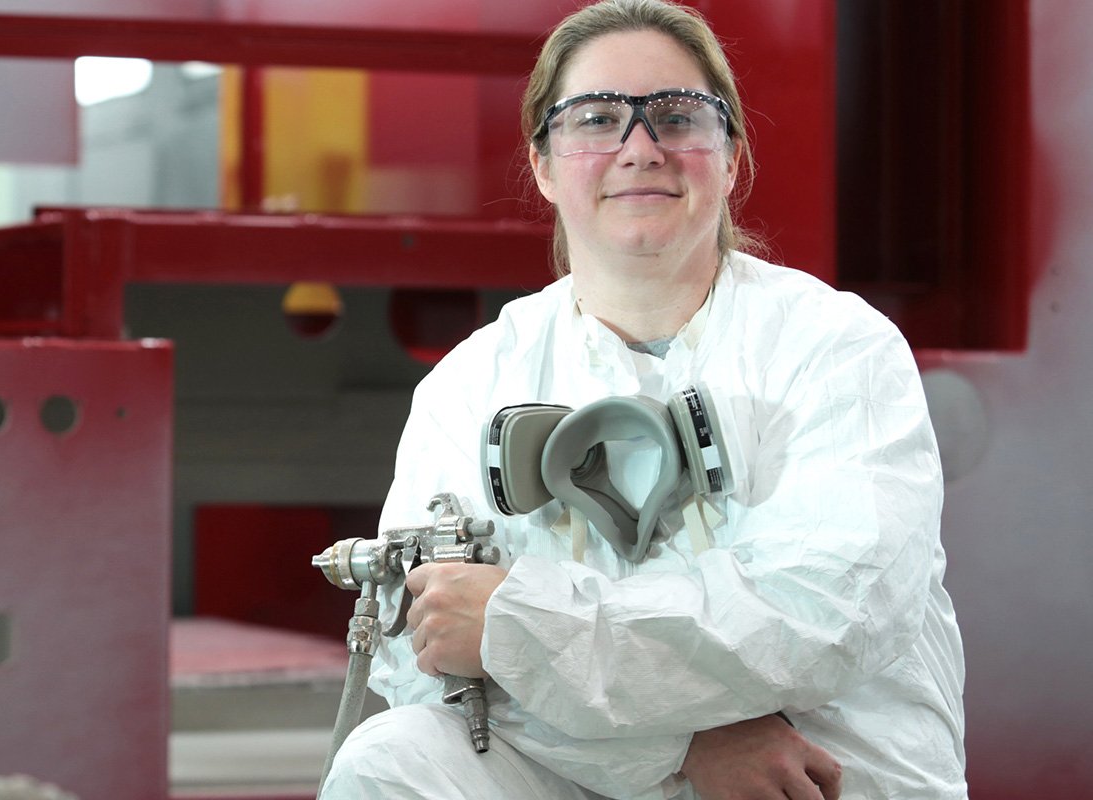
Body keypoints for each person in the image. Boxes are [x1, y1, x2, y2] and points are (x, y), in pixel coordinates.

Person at [318, 0, 967, 797]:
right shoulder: (471, 383)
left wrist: (526, 624)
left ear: (729, 157)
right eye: (595, 119)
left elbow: (832, 612)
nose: (640, 148)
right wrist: (678, 748)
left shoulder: (838, 350)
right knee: (388, 760)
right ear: (545, 165)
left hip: (812, 764)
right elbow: (431, 651)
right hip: (570, 770)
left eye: (675, 116)